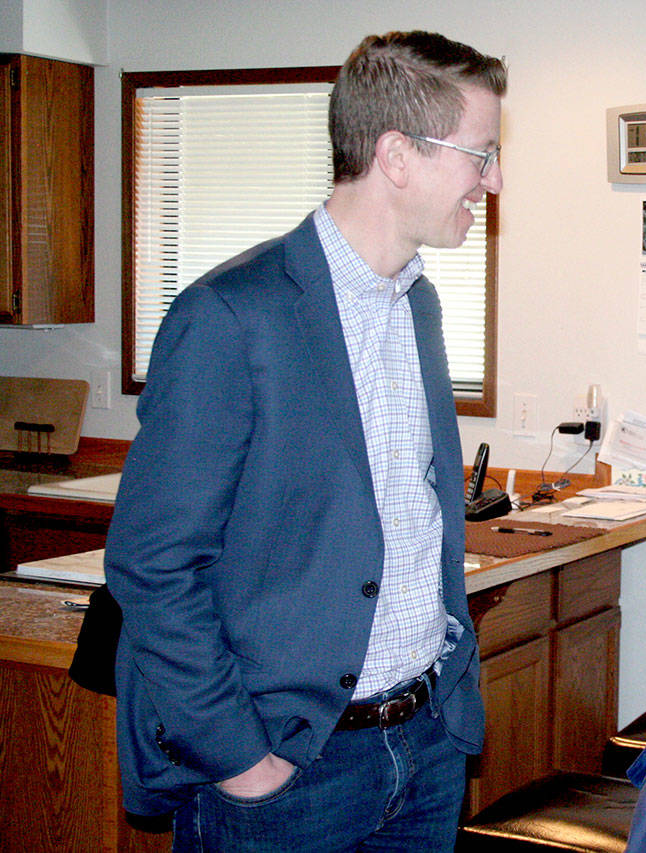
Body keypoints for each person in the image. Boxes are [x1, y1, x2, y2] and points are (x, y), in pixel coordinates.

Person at [104, 30, 505, 851]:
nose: (494, 180)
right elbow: (151, 564)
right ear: (398, 155)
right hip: (290, 768)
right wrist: (241, 757)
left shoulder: (418, 305)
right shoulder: (230, 317)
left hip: (425, 745)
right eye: (482, 154)